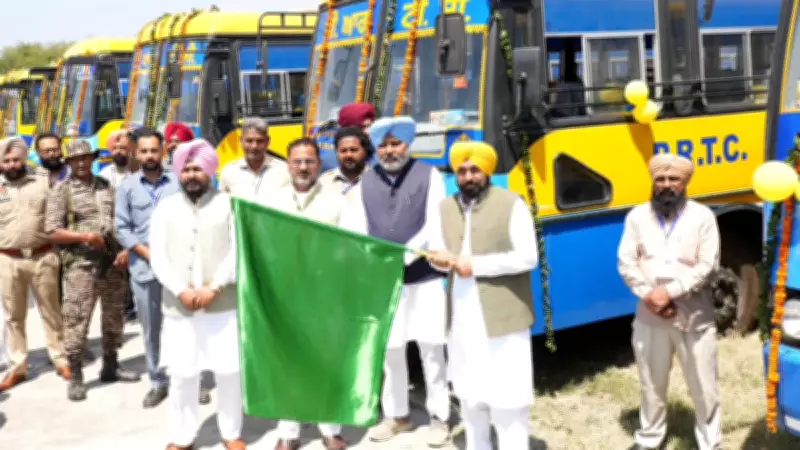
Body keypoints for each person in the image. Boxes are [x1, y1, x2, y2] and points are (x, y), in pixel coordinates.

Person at [340, 116, 450, 446]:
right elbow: (357, 226)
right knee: (391, 349)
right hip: (383, 280)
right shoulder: (365, 182)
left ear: (407, 144)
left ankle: (440, 416)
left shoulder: (430, 175)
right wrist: (374, 259)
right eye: (384, 145)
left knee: (432, 348)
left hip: (424, 276)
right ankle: (397, 415)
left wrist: (403, 255)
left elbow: (434, 224)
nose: (390, 151)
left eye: (395, 143)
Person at [427, 141, 537, 450]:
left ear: (487, 171)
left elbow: (528, 257)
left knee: (507, 396)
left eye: (475, 170)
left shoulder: (511, 203)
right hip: (462, 318)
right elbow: (437, 250)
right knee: (469, 394)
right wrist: (437, 260)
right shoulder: (445, 207)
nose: (468, 177)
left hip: (503, 317)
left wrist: (477, 265)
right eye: (461, 171)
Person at [617, 154, 721, 450]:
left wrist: (671, 292)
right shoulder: (637, 217)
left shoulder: (703, 217)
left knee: (703, 385)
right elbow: (626, 261)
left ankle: (710, 443)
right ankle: (650, 438)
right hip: (649, 313)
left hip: (693, 314)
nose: (666, 185)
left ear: (685, 182)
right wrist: (648, 294)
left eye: (673, 179)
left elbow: (708, 265)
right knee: (651, 381)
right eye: (660, 179)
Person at [149, 139, 244, 450]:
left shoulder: (229, 204)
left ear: (210, 172)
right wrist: (181, 290)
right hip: (180, 306)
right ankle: (182, 436)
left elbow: (237, 251)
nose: (191, 175)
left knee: (229, 371)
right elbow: (158, 256)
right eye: (186, 169)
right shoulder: (165, 207)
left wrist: (214, 286)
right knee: (182, 373)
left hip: (222, 303)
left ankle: (231, 433)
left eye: (198, 169)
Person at [116, 128, 212, 408]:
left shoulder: (178, 181)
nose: (149, 156)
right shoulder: (127, 187)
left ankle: (194, 381)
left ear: (163, 151)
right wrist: (148, 254)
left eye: (154, 150)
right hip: (145, 270)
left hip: (181, 270)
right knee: (152, 329)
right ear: (136, 153)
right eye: (144, 151)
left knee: (188, 326)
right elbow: (121, 228)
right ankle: (158, 381)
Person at [265, 137, 347, 450]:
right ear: (288, 165)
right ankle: (289, 431)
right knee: (288, 360)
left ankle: (330, 428)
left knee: (326, 360)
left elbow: (351, 244)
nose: (303, 167)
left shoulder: (337, 201)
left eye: (309, 161)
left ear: (319, 164)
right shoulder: (273, 201)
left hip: (326, 292)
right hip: (285, 292)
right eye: (297, 161)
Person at [45, 139, 141, 401]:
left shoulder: (105, 186)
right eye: (76, 159)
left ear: (92, 159)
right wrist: (85, 236)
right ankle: (76, 374)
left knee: (114, 316)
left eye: (86, 158)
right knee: (77, 319)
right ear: (69, 163)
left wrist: (124, 249)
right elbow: (52, 230)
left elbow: (120, 220)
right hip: (81, 265)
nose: (82, 163)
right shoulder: (61, 191)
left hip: (112, 261)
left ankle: (111, 364)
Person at [0, 138, 70, 391]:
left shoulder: (42, 180)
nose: (11, 164)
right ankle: (18, 366)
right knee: (14, 316)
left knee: (52, 311)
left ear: (24, 159)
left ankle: (60, 359)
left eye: (16, 160)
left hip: (43, 256)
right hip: (8, 259)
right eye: (6, 161)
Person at [219, 117, 290, 201]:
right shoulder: (229, 171)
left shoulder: (284, 170)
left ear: (267, 141)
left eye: (260, 141)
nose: (254, 146)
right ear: (241, 141)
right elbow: (222, 204)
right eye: (249, 141)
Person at [318, 127, 373, 198]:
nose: (348, 155)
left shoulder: (378, 181)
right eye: (343, 151)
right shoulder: (324, 182)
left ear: (365, 151)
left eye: (354, 150)